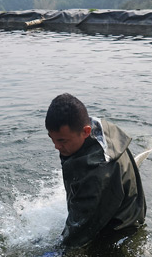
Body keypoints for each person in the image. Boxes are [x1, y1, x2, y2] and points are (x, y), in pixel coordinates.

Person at [45, 93, 146, 248]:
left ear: (85, 131)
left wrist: (55, 254)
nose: (56, 146)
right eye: (52, 139)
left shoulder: (98, 174)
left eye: (61, 141)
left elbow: (77, 235)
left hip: (118, 235)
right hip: (116, 210)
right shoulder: (97, 129)